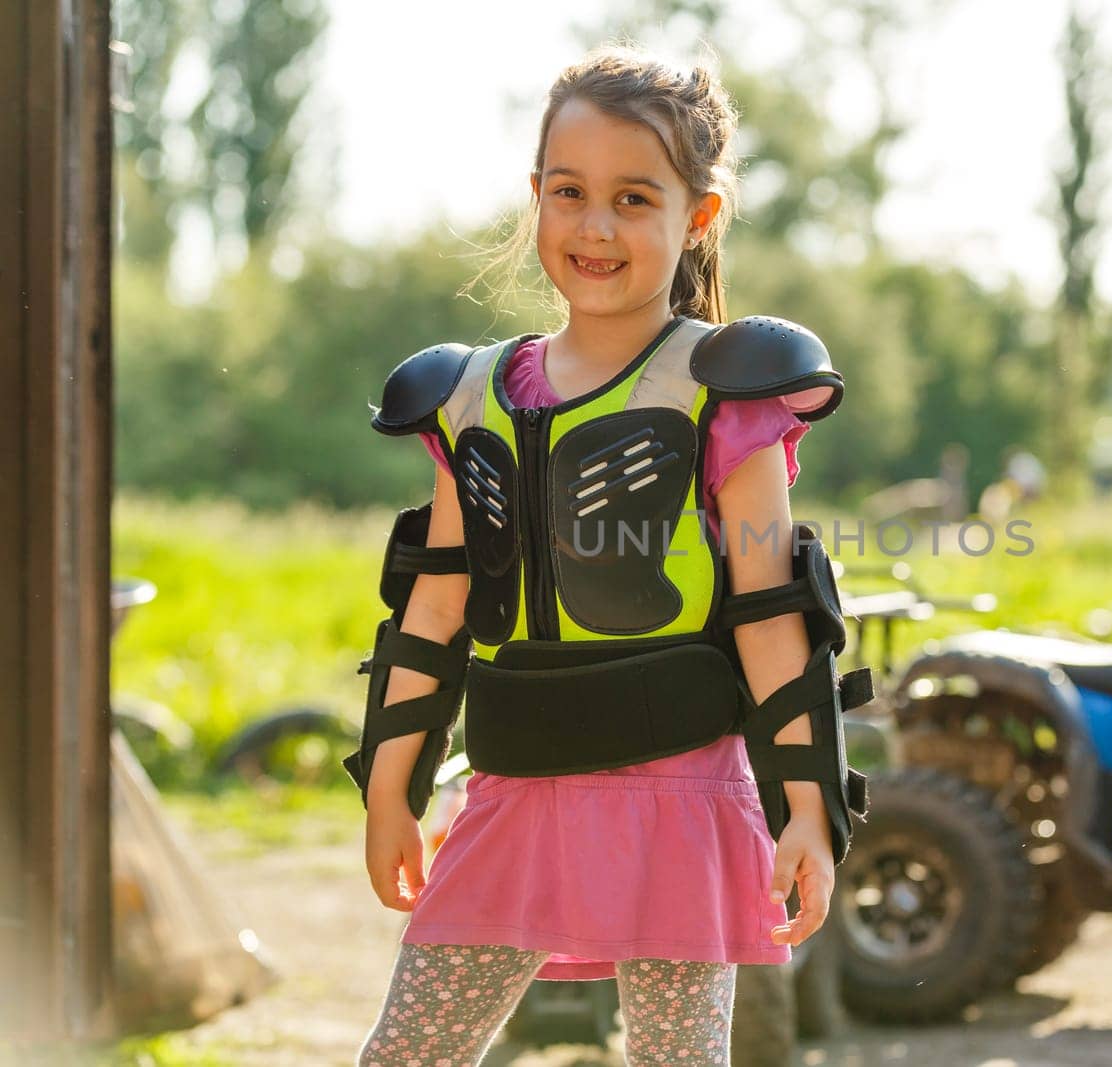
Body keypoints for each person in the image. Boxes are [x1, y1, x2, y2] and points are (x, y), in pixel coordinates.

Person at [349, 45, 869, 1066]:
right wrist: (389, 787)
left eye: (634, 198)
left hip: (679, 792)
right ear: (534, 197)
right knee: (402, 1055)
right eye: (568, 193)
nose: (595, 226)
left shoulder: (729, 393)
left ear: (697, 218)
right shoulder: (466, 396)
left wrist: (809, 806)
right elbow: (434, 609)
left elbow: (772, 613)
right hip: (512, 786)